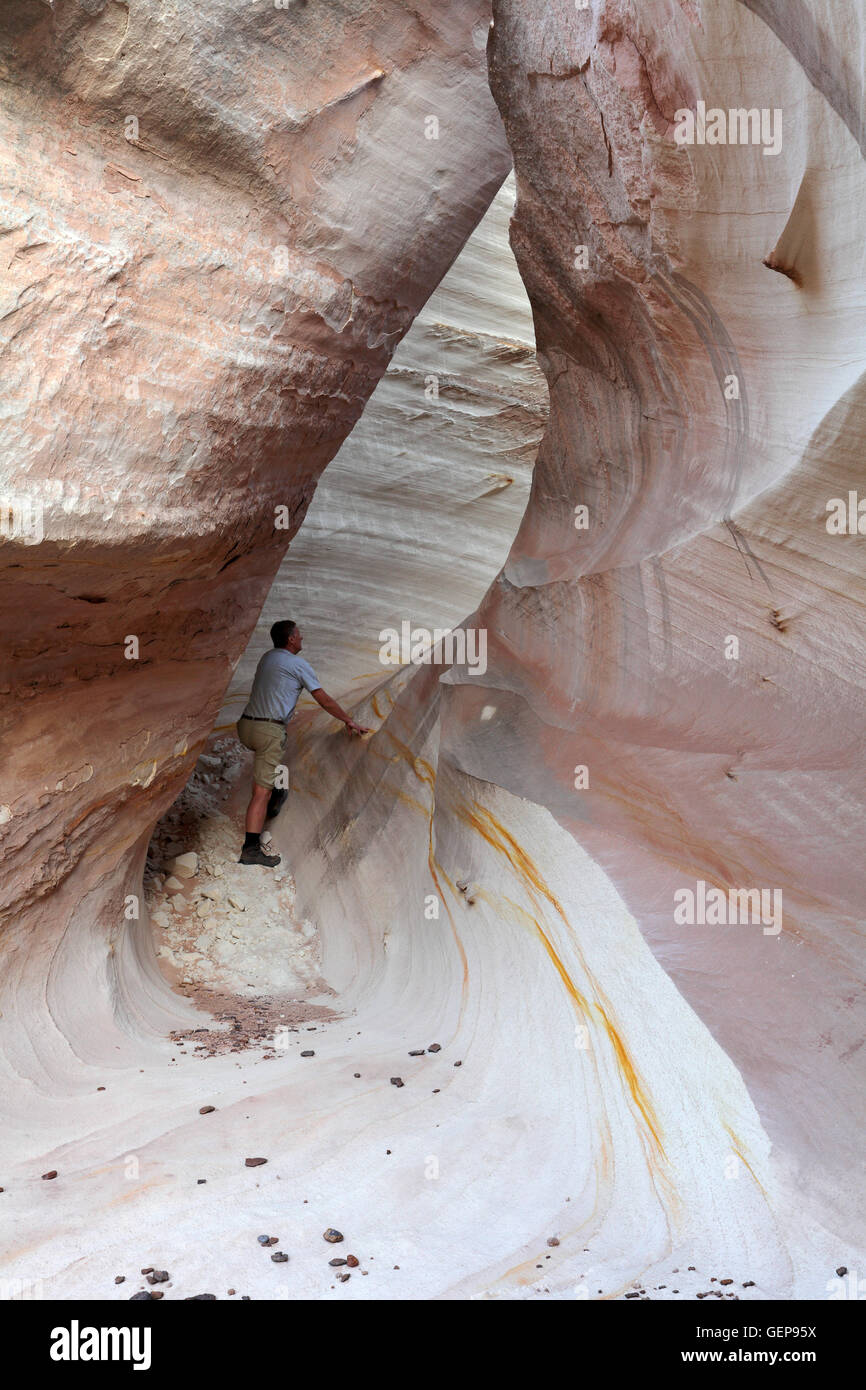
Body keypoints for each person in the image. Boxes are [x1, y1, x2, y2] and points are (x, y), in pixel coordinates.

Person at [236, 619, 370, 866]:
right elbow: (323, 699)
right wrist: (348, 721)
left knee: (268, 764)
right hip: (268, 730)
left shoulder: (267, 657)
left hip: (245, 726)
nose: (302, 638)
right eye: (299, 635)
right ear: (290, 639)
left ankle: (277, 791)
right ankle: (250, 849)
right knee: (260, 792)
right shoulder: (298, 664)